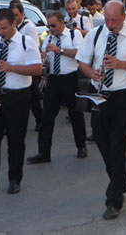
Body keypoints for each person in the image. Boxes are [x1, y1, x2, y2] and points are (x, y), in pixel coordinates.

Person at [76, 1, 126, 220]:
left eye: (114, 20)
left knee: (118, 144)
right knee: (102, 142)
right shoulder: (95, 33)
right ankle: (120, 180)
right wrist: (91, 72)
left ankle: (113, 201)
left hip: (125, 95)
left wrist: (122, 64)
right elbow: (81, 61)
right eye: (107, 19)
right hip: (99, 96)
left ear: (123, 17)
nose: (110, 24)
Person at [0, 9, 42, 195]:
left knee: (15, 140)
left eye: (3, 28)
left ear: (13, 24)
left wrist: (12, 68)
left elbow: (37, 69)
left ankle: (14, 179)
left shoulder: (26, 43)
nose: (0, 31)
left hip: (18, 96)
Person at [26, 11, 87, 164]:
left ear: (61, 23)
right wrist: (43, 59)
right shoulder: (48, 38)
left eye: (53, 25)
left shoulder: (74, 35)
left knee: (75, 114)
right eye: (48, 25)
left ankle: (81, 146)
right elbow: (47, 61)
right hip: (53, 79)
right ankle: (44, 152)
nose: (50, 28)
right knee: (47, 116)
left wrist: (59, 50)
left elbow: (80, 54)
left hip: (70, 78)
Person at [10, 0, 42, 131]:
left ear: (22, 14)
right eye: (12, 15)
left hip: (27, 65)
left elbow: (32, 47)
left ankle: (39, 118)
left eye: (16, 15)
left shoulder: (29, 27)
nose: (15, 18)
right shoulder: (10, 26)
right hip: (14, 65)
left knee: (33, 94)